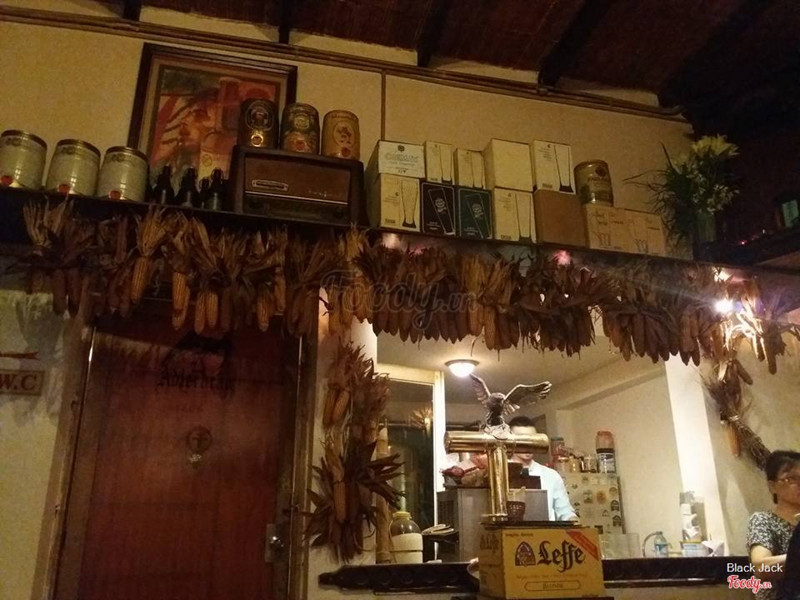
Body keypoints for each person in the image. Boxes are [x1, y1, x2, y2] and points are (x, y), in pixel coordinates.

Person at [747, 450, 800, 600]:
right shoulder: (763, 520)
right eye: (791, 478)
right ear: (772, 486)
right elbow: (761, 567)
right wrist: (795, 558)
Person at [508, 416, 577, 522]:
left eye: (532, 439)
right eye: (522, 440)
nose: (528, 444)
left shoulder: (551, 475)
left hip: (543, 531)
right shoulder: (498, 473)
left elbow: (565, 512)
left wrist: (575, 521)